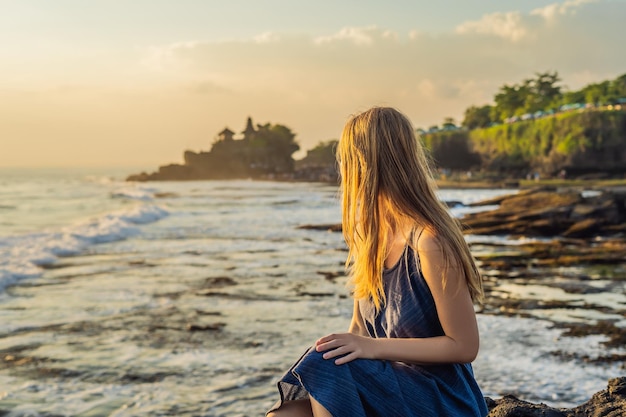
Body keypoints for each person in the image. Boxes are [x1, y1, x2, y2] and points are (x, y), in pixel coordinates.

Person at [266, 107, 488, 417]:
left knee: (323, 365)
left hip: (442, 400)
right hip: (390, 390)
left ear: (364, 164)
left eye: (345, 160)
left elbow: (464, 346)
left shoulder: (430, 242)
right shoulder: (370, 241)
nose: (342, 169)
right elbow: (358, 329)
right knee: (286, 413)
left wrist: (373, 348)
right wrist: (348, 347)